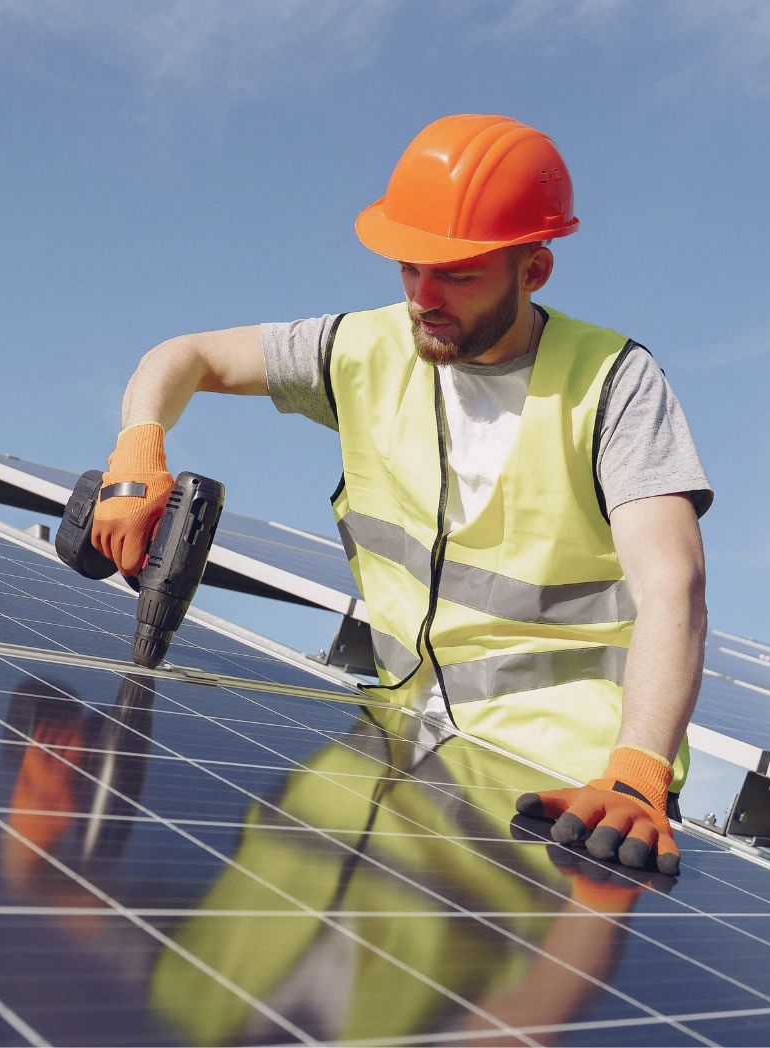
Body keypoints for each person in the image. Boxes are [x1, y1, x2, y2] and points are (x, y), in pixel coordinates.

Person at [89, 114, 711, 874]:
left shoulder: (614, 382)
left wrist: (638, 770)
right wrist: (138, 447)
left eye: (457, 273)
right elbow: (184, 355)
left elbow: (672, 584)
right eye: (410, 268)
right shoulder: (364, 349)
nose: (424, 297)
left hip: (574, 793)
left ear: (534, 270)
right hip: (409, 747)